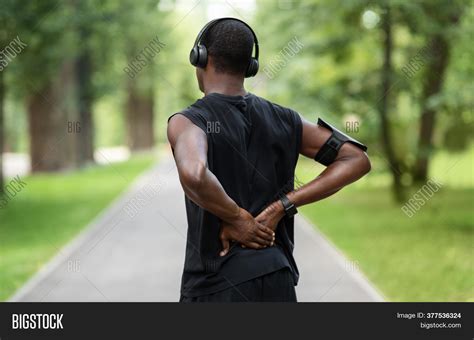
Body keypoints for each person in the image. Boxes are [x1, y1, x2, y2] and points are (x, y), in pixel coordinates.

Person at [167, 18, 371, 302]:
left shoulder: (189, 121)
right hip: (278, 277)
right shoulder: (285, 119)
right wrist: (284, 205)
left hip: (217, 285)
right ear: (250, 66)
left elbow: (195, 175)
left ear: (200, 57)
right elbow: (356, 158)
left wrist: (237, 218)